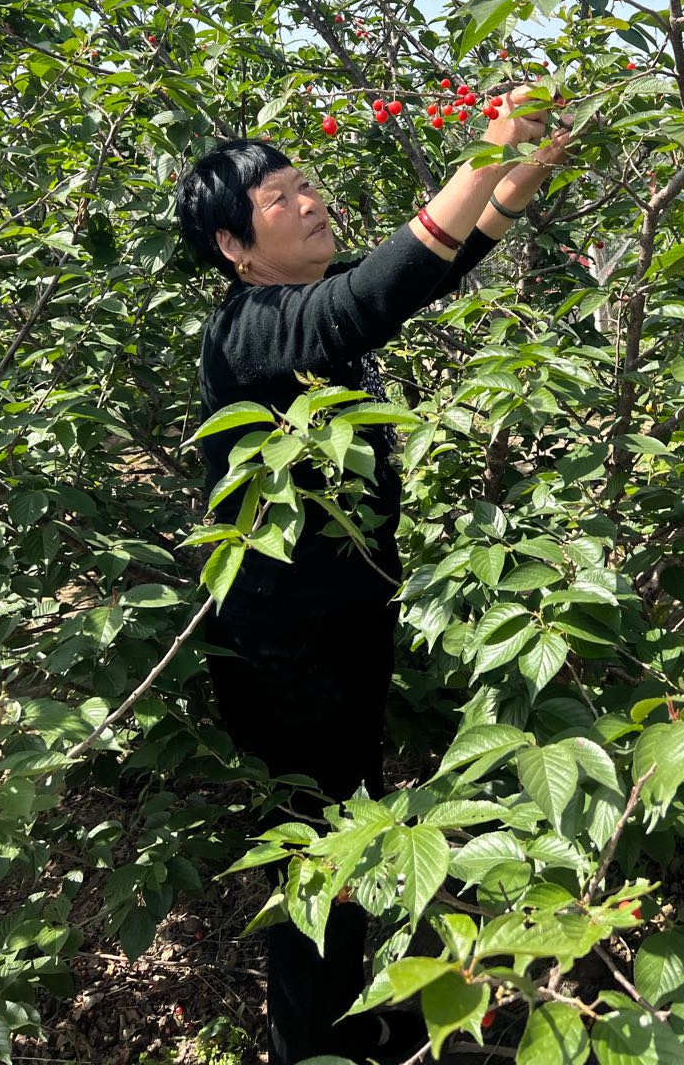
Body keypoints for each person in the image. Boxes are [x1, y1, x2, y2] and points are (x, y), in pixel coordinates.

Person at [174, 84, 575, 1064]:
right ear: (233, 245)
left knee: (354, 818)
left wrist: (525, 169)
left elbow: (426, 268)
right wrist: (485, 148)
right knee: (320, 844)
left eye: (307, 184)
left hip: (345, 621)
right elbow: (380, 290)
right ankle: (311, 1044)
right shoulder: (249, 328)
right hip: (279, 649)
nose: (310, 201)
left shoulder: (306, 302)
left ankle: (352, 1023)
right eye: (280, 198)